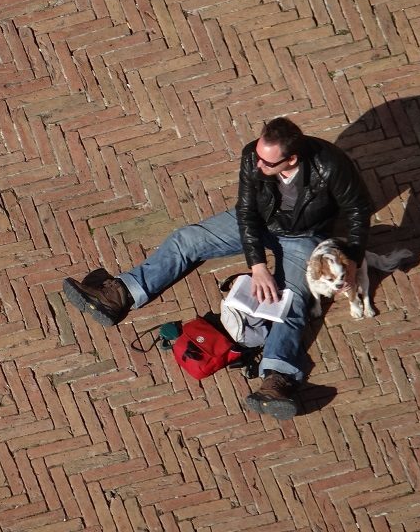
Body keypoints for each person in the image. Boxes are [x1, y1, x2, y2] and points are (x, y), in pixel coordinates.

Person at [62, 117, 372, 420]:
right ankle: (119, 293)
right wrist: (258, 266)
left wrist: (354, 260)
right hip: (259, 224)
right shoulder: (254, 156)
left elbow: (358, 210)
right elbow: (248, 212)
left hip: (303, 237)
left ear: (292, 158)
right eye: (259, 157)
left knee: (290, 300)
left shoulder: (330, 165)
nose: (258, 166)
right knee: (187, 240)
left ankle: (278, 378)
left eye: (268, 163)